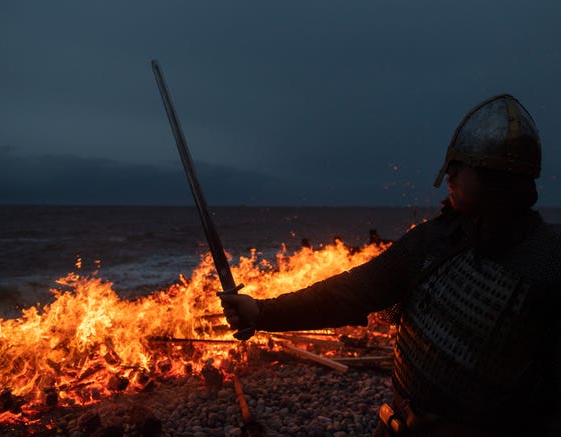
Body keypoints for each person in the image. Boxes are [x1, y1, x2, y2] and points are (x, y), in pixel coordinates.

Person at [220, 94, 561, 436]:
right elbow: (349, 294)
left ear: (496, 177)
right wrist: (262, 312)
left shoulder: (549, 264)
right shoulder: (436, 240)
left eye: (463, 164)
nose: (450, 174)